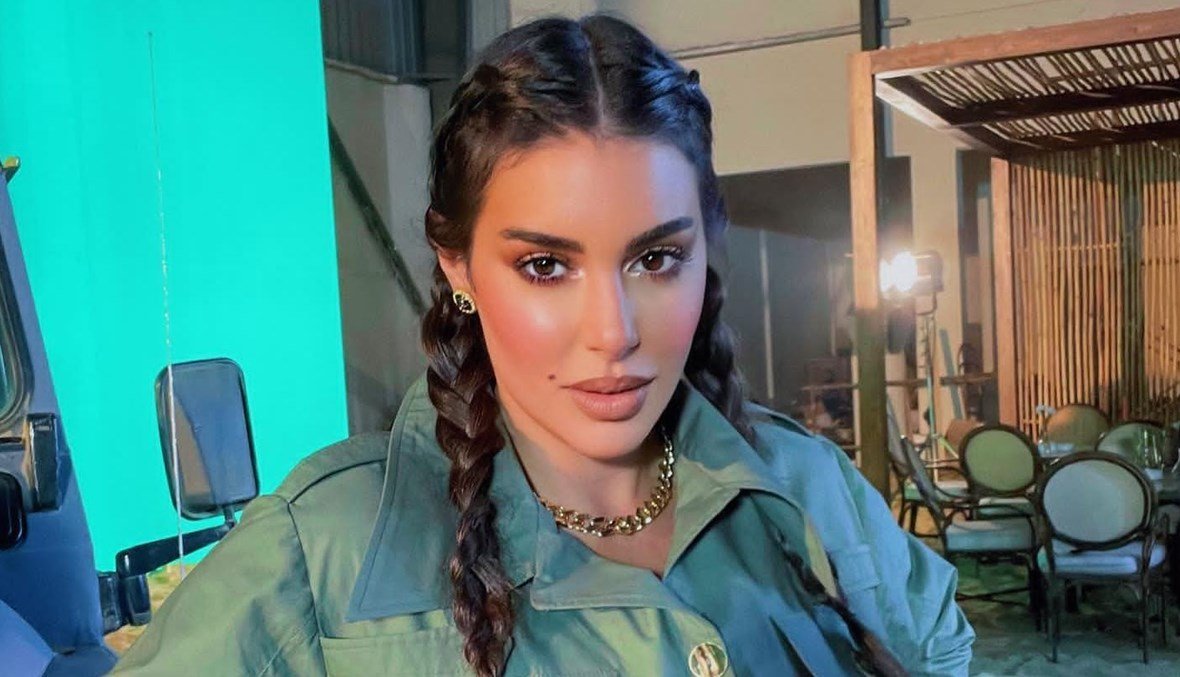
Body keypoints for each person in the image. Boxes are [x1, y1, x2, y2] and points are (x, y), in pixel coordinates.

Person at [113, 14, 973, 676]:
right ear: (457, 265)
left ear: (705, 250)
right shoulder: (325, 555)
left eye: (656, 259)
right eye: (545, 266)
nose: (614, 332)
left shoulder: (812, 490)